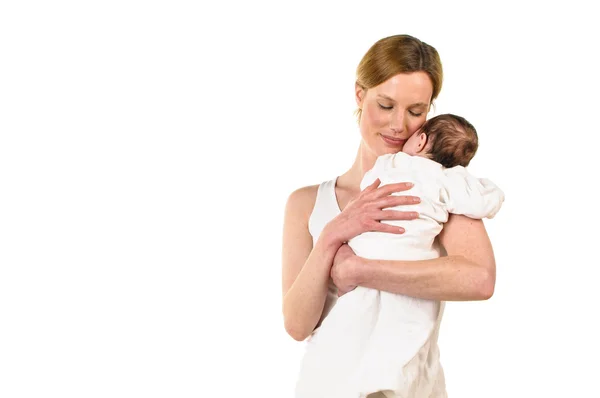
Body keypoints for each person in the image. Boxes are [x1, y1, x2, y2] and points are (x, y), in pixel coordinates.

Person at [282, 34, 498, 398]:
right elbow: (297, 325)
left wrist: (361, 271)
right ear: (359, 95)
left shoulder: (436, 188)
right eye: (385, 105)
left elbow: (479, 279)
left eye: (416, 111)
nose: (399, 125)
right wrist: (334, 234)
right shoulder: (306, 203)